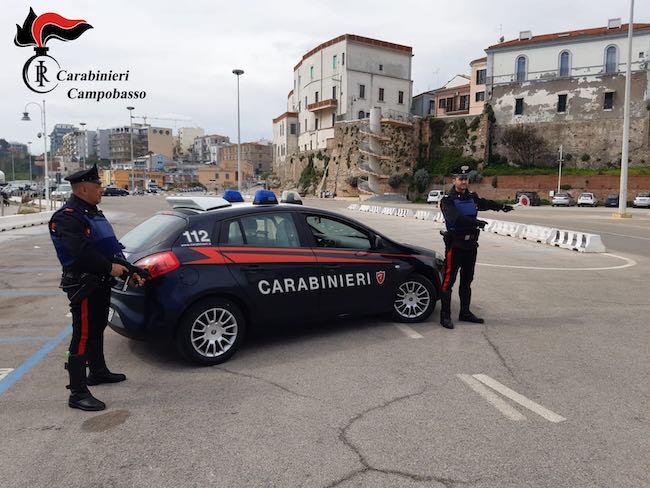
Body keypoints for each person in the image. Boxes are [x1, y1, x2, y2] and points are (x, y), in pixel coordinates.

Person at [48, 165, 145, 411]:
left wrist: (130, 270)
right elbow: (79, 252)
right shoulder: (67, 217)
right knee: (82, 335)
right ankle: (77, 393)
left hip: (100, 282)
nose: (101, 189)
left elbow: (109, 249)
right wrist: (110, 268)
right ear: (83, 188)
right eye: (97, 185)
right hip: (84, 284)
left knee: (97, 328)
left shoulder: (93, 214)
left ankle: (98, 371)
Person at [438, 165, 514, 329]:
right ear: (454, 181)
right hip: (455, 245)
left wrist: (502, 207)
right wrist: (476, 222)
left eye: (466, 178)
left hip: (471, 245)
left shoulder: (471, 198)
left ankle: (464, 313)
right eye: (460, 178)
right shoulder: (447, 200)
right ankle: (445, 316)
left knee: (467, 280)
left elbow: (485, 203)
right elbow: (455, 219)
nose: (464, 181)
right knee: (448, 281)